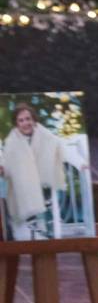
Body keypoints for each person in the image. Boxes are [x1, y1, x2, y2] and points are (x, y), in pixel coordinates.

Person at [2, 103, 62, 241]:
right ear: (16, 124)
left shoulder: (46, 136)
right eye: (21, 120)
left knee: (44, 183)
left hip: (43, 181)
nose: (25, 123)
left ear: (34, 120)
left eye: (28, 119)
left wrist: (82, 164)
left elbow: (59, 151)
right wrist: (4, 170)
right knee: (23, 185)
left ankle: (47, 228)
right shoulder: (11, 142)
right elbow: (8, 164)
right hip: (25, 184)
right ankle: (32, 225)